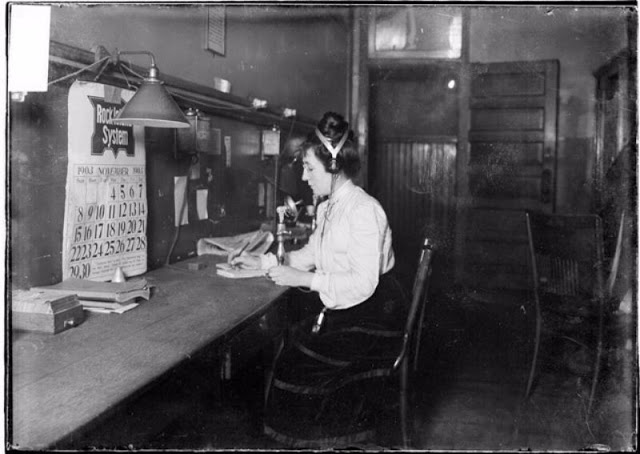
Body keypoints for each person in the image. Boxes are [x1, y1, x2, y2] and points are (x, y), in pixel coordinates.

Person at [231, 112, 406, 448]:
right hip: (352, 308)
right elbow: (311, 253)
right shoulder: (328, 208)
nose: (304, 176)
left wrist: (305, 279)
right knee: (292, 346)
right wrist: (264, 261)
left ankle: (320, 442)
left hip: (375, 315)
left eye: (309, 168)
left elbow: (363, 283)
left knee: (296, 360)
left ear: (334, 167)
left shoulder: (364, 210)